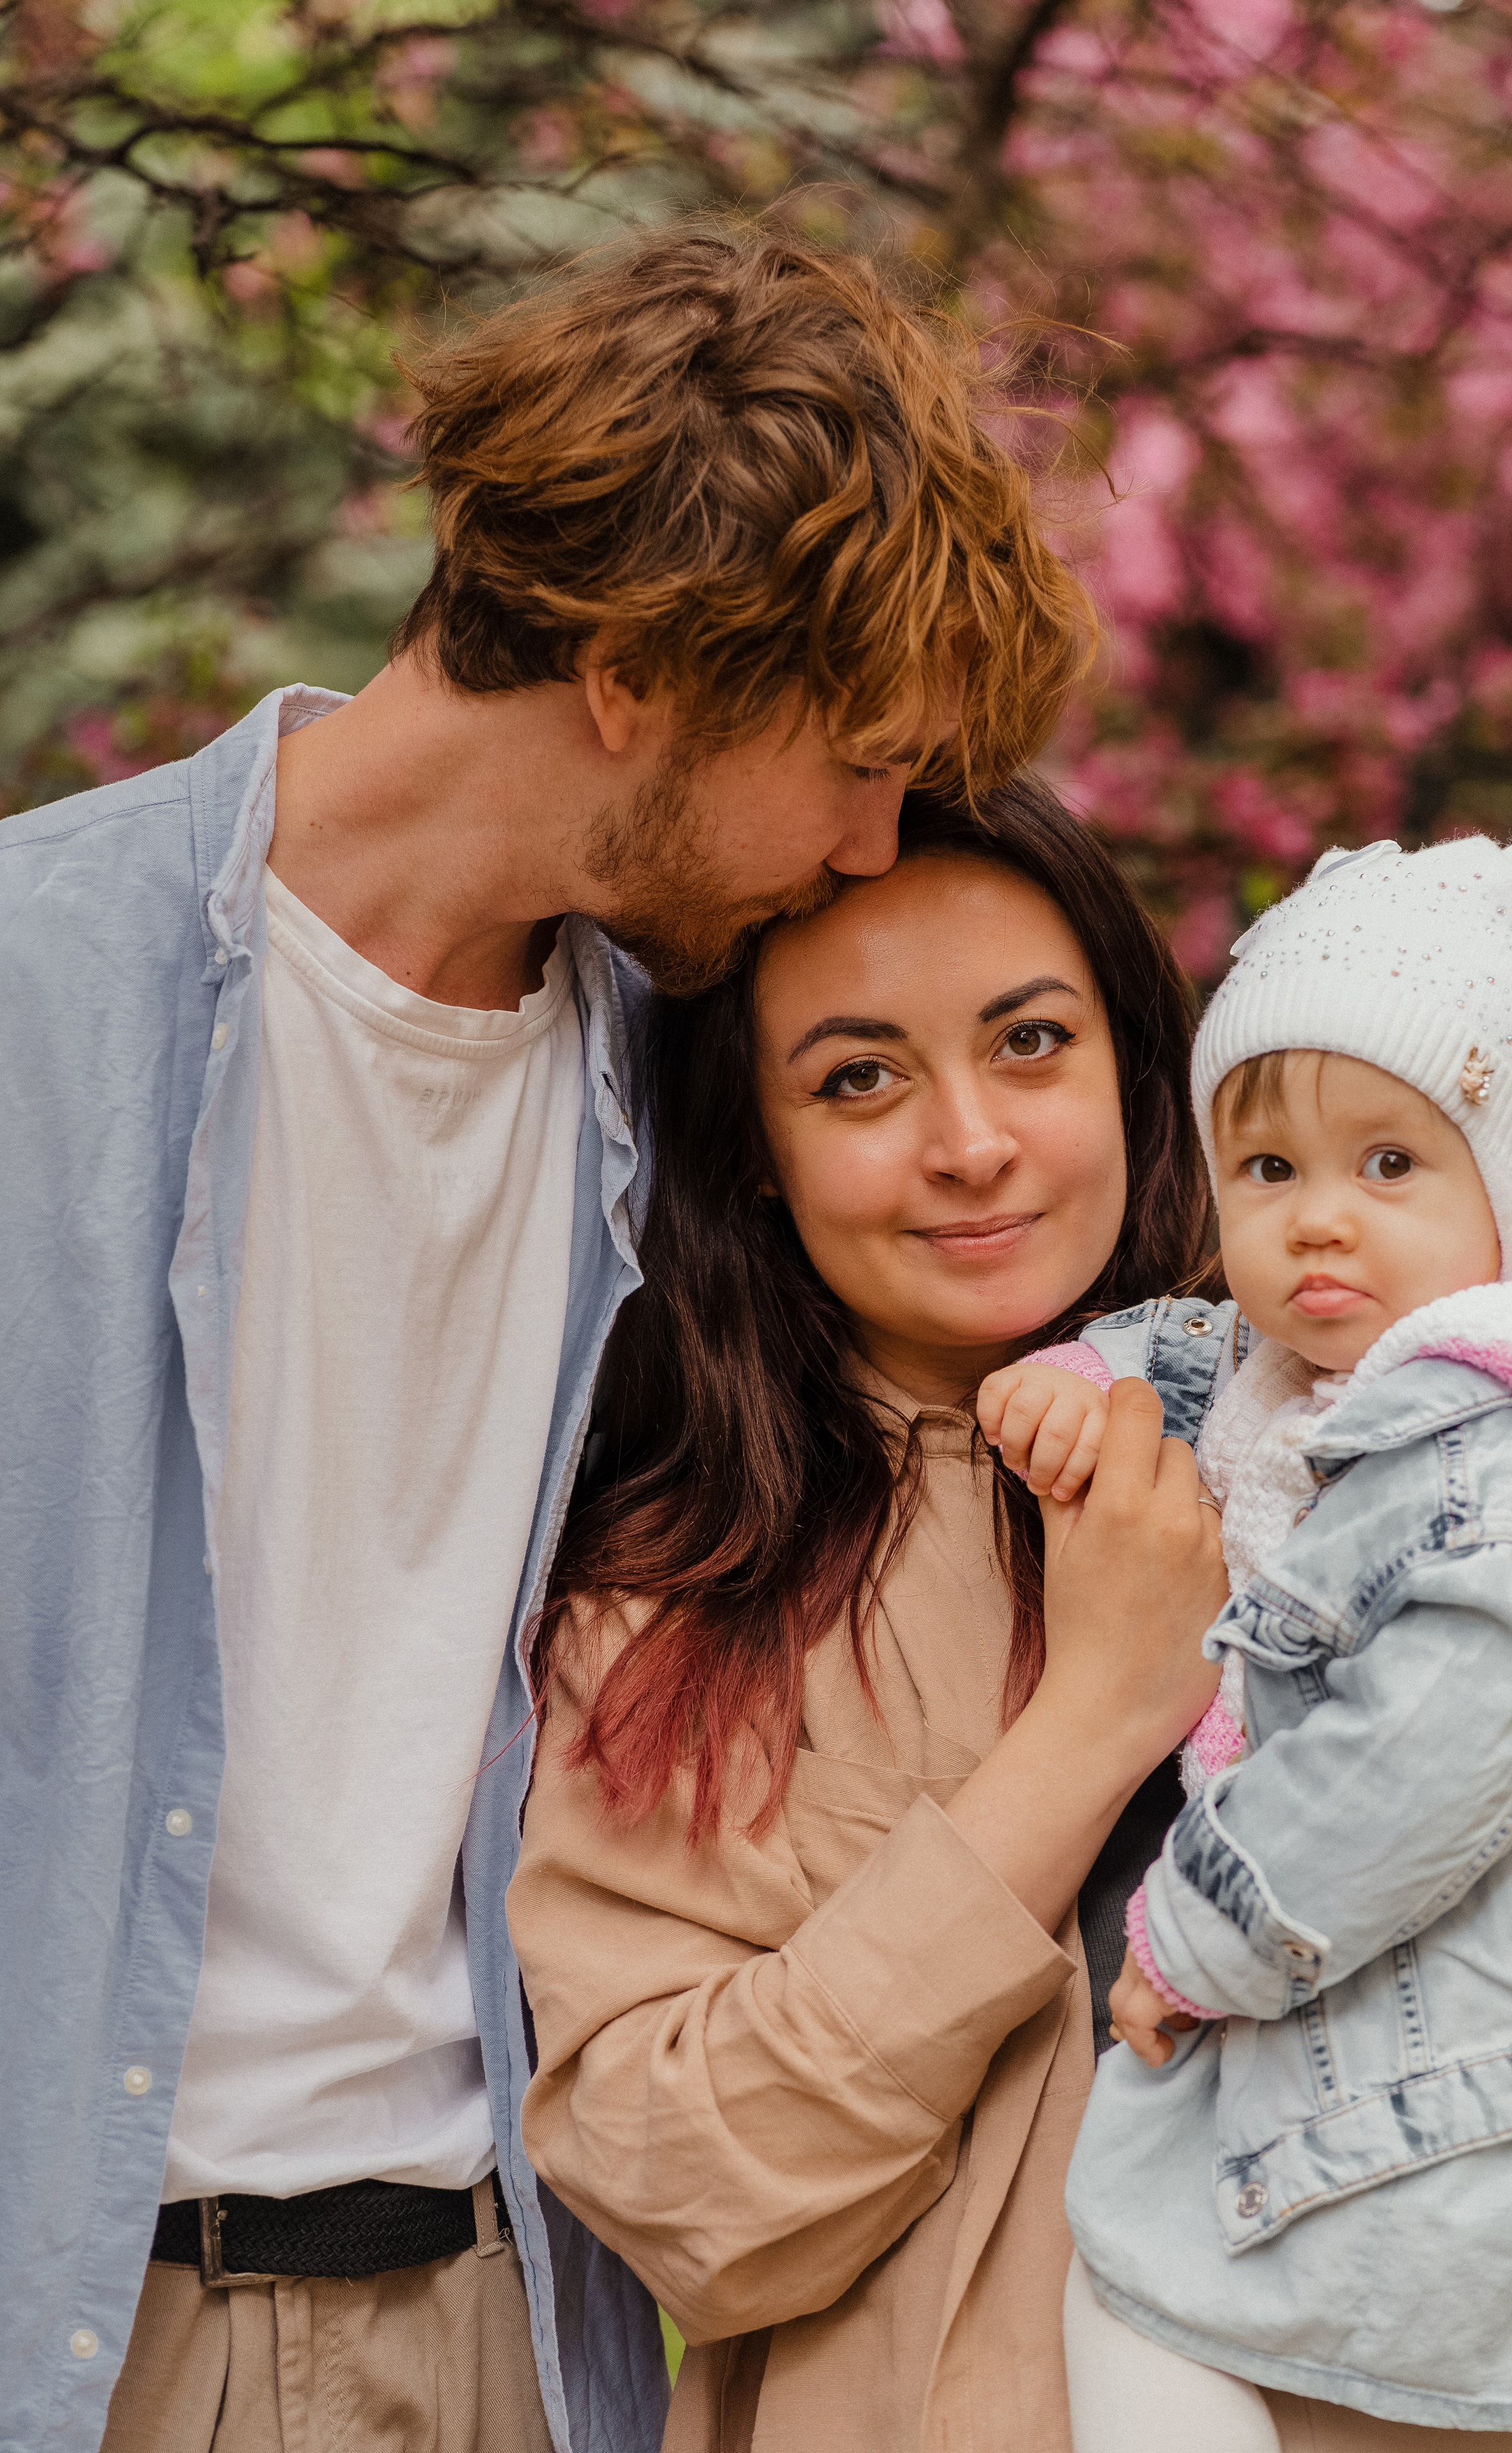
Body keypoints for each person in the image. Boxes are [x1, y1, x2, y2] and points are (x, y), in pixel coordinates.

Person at [0, 226, 1087, 2453]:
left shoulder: (697, 1101)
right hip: (85, 2327)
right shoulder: (34, 1008)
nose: (880, 840)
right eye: (856, 761)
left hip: (523, 2334)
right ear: (628, 673)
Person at [507, 777, 1235, 2453]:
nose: (971, 1140)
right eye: (860, 1078)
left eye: (1032, 1043)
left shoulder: (1391, 1458)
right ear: (756, 1159)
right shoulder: (675, 1614)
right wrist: (1097, 1719)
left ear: (1133, 1063)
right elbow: (683, 2187)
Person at [993, 822, 1512, 2450]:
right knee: (1134, 2290)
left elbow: (1414, 1754)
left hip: (1470, 2069)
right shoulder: (1304, 1376)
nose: (1317, 1225)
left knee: (1133, 2282)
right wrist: (1073, 1384)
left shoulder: (1500, 1458)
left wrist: (1185, 1946)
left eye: (1390, 1167)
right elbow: (1192, 1353)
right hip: (1371, 2051)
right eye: (1269, 1173)